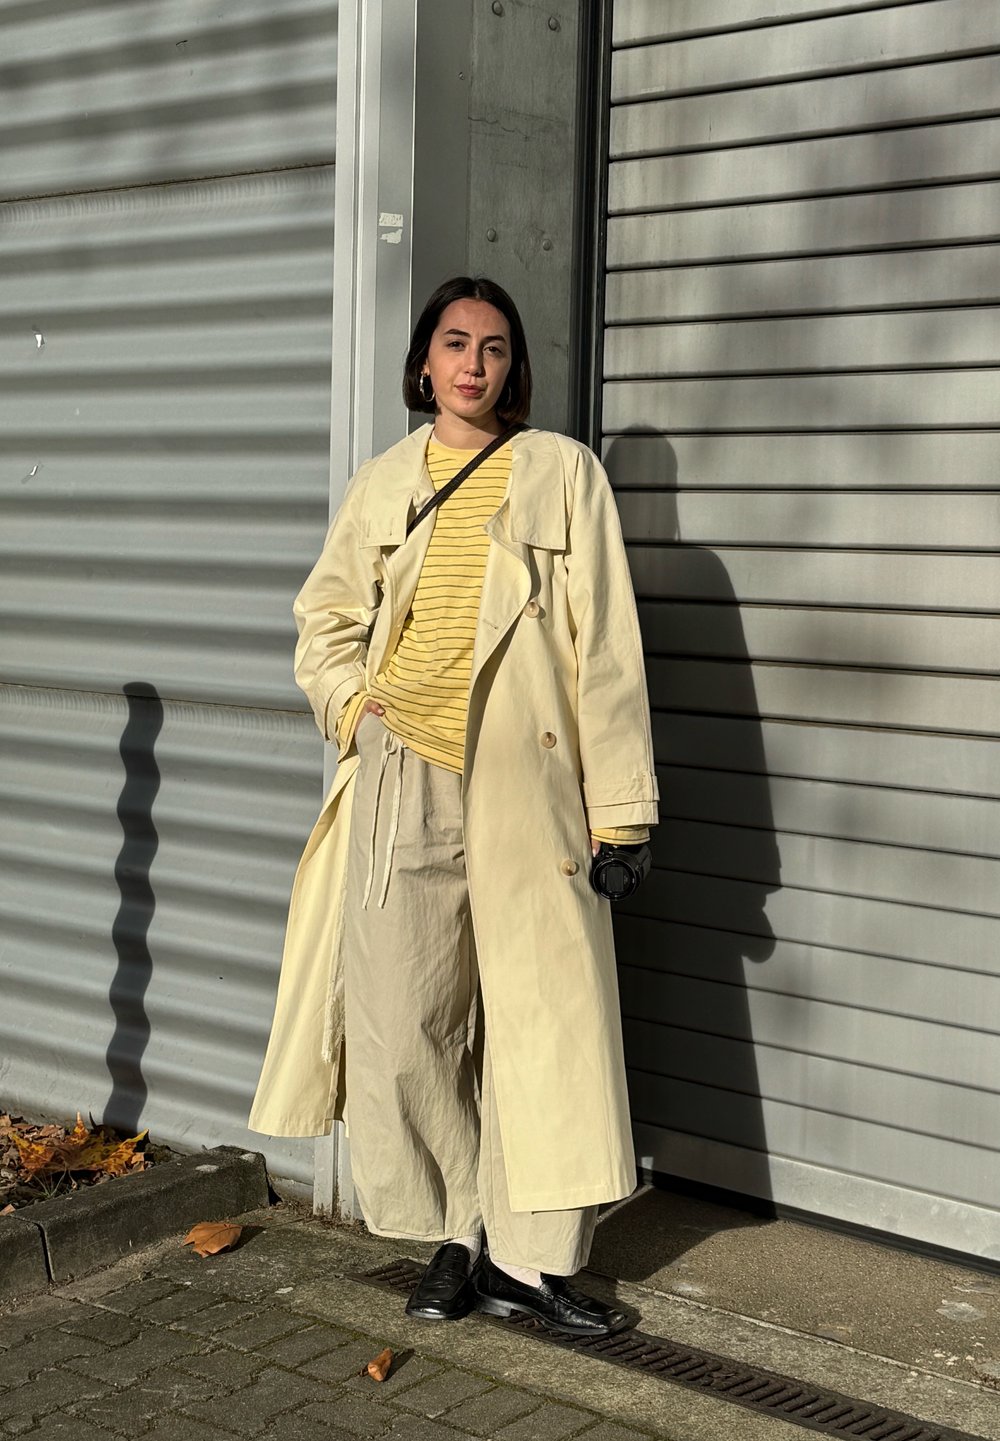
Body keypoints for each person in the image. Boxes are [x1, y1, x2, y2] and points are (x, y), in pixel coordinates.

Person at [249, 276, 658, 1337]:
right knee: (406, 1022)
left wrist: (621, 811)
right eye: (455, 342)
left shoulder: (562, 471)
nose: (474, 363)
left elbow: (607, 649)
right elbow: (324, 621)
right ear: (424, 363)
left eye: (494, 346)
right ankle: (456, 1233)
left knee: (538, 1023)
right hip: (404, 779)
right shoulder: (383, 481)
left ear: (512, 366)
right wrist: (356, 708)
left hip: (527, 779)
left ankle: (527, 1260)